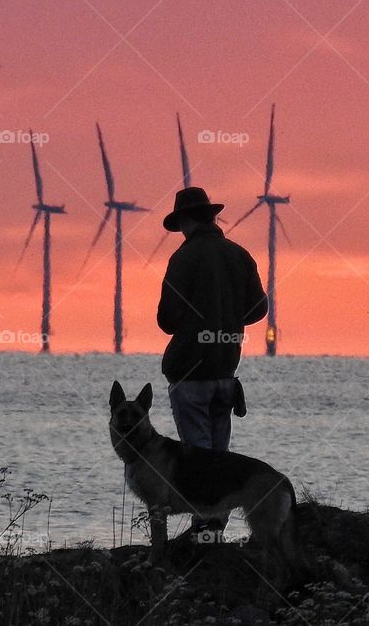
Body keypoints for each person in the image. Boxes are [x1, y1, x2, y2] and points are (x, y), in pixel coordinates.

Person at [157, 186, 269, 541]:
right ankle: (214, 529)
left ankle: (204, 531)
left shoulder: (184, 258)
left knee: (199, 458)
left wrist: (197, 322)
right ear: (211, 216)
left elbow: (168, 319)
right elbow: (258, 310)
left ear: (185, 221)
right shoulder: (239, 255)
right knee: (219, 457)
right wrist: (225, 319)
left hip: (190, 372)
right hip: (226, 373)